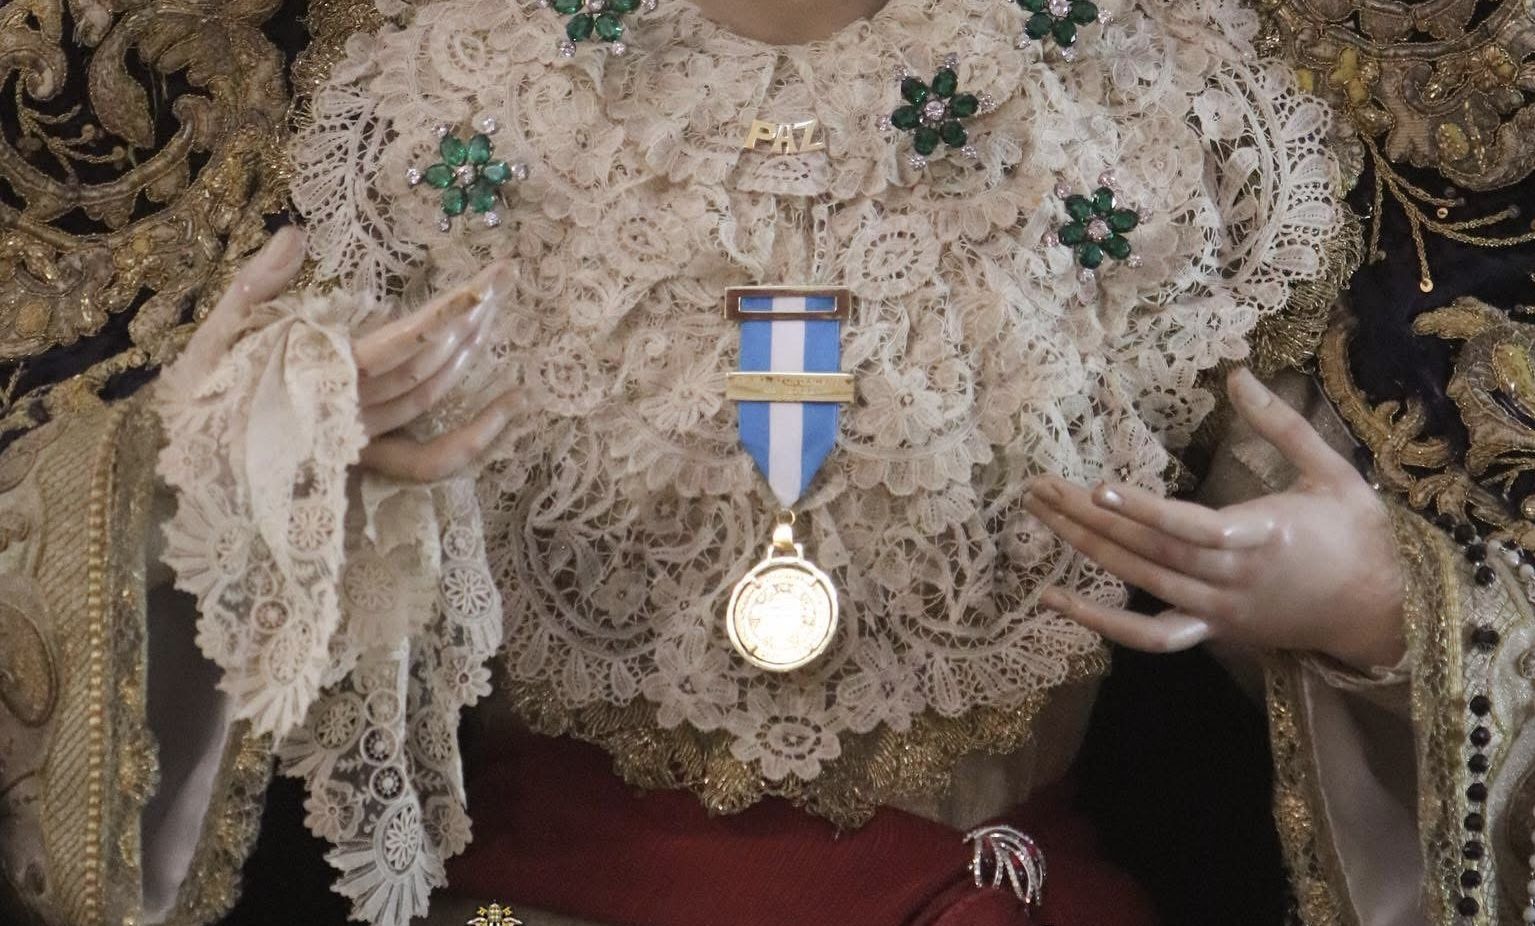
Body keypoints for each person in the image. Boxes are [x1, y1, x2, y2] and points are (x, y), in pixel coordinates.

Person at [0, 1, 1528, 925]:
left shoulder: (1164, 110)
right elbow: (77, 562)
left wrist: (1377, 611)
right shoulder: (414, 99)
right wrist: (220, 479)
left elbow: (1324, 509)